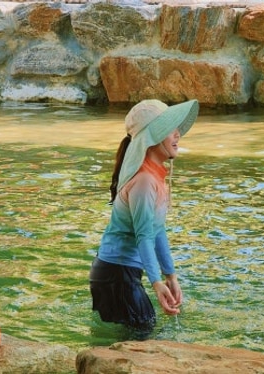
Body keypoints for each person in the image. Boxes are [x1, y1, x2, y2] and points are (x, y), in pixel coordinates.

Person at [89, 99, 199, 331]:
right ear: (152, 137)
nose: (178, 134)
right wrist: (156, 283)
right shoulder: (145, 182)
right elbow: (144, 237)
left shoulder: (155, 178)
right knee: (142, 337)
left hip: (120, 273)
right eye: (170, 128)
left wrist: (171, 276)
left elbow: (157, 231)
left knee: (142, 334)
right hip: (115, 274)